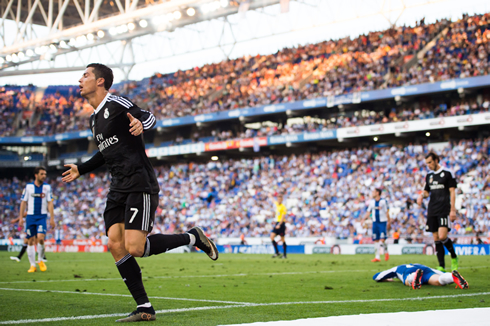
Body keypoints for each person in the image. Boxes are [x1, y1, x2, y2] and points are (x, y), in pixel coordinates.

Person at [62, 63, 219, 323]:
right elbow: (106, 152)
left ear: (100, 81)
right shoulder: (94, 119)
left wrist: (141, 125)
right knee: (115, 244)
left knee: (134, 247)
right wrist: (82, 168)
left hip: (138, 183)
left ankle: (192, 238)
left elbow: (148, 116)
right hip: (117, 187)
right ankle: (144, 307)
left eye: (85, 75)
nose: (80, 80)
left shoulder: (116, 103)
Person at [417, 152, 458, 272]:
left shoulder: (447, 173)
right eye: (427, 163)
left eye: (430, 162)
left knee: (442, 236)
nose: (428, 165)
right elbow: (426, 192)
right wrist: (421, 196)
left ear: (436, 160)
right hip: (432, 210)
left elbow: (452, 192)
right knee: (436, 238)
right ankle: (441, 266)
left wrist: (453, 209)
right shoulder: (429, 176)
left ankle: (454, 256)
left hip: (444, 209)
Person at [16, 166, 55, 272]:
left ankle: (40, 260)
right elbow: (23, 202)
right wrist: (20, 218)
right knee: (30, 241)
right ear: (36, 175)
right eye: (42, 174)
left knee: (41, 238)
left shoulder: (47, 187)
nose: (44, 176)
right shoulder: (28, 187)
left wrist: (52, 218)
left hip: (42, 216)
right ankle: (32, 265)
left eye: (45, 174)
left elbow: (50, 202)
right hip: (30, 217)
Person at [373, 263, 469, 290]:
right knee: (438, 280)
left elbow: (377, 276)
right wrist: (447, 274)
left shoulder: (397, 268)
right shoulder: (420, 264)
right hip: (426, 269)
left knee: (406, 279)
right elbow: (436, 271)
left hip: (408, 272)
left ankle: (414, 278)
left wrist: (388, 279)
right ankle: (451, 278)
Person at [362, 188, 390, 262]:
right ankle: (377, 257)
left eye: (374, 192)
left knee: (382, 239)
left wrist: (389, 222)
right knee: (376, 240)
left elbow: (387, 212)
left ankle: (386, 252)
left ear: (377, 193)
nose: (372, 193)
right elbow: (368, 212)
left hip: (382, 222)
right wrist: (363, 219)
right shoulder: (372, 202)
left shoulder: (384, 201)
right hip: (375, 222)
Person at [269, 193, 287, 258]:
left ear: (282, 199)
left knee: (282, 239)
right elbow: (274, 201)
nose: (279, 200)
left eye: (280, 199)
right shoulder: (277, 204)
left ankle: (284, 255)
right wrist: (270, 196)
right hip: (277, 223)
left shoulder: (283, 207)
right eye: (278, 199)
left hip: (281, 224)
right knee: (272, 237)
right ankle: (277, 252)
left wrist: (279, 224)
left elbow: (283, 216)